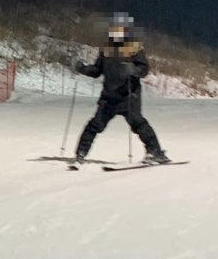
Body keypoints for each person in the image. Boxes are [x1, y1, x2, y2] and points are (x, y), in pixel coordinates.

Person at [72, 12, 170, 165]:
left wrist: (133, 70)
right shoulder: (107, 49)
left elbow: (144, 69)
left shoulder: (134, 48)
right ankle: (80, 154)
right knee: (95, 124)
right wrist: (83, 68)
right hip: (109, 97)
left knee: (138, 123)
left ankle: (156, 153)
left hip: (129, 95)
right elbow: (97, 70)